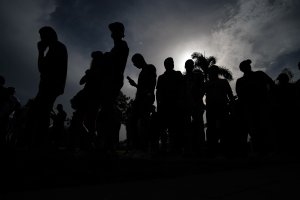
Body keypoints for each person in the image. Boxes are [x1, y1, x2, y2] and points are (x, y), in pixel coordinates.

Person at [28, 26, 68, 148]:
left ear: (48, 36)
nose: (41, 39)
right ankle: (39, 141)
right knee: (40, 112)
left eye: (42, 36)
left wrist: (40, 51)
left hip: (50, 86)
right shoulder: (55, 47)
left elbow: (42, 68)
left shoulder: (56, 47)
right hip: (52, 86)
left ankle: (39, 142)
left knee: (39, 112)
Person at [96, 22, 129, 153]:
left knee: (108, 109)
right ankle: (107, 142)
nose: (112, 34)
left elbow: (114, 62)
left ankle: (110, 143)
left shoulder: (122, 45)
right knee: (106, 109)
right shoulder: (116, 48)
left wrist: (104, 57)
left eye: (115, 31)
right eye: (112, 32)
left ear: (120, 33)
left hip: (114, 80)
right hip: (110, 80)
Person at [236, 59, 274, 156]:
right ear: (242, 69)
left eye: (248, 65)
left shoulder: (259, 74)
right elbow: (240, 95)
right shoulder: (240, 81)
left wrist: (269, 96)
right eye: (245, 66)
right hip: (249, 108)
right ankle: (258, 151)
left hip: (262, 104)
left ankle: (268, 150)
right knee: (253, 129)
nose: (248, 67)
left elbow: (271, 84)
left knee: (265, 127)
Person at [127, 53, 157, 153]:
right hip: (139, 100)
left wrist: (148, 97)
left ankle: (144, 148)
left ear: (140, 60)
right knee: (132, 122)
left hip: (145, 100)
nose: (135, 65)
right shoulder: (141, 72)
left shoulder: (150, 68)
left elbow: (151, 86)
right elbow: (141, 88)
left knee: (144, 123)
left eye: (135, 63)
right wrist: (135, 85)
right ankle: (137, 147)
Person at [204, 65, 234, 157]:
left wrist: (232, 105)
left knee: (225, 129)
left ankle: (226, 150)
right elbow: (201, 94)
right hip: (211, 109)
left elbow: (230, 94)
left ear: (216, 72)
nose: (211, 73)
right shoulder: (207, 84)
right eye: (210, 72)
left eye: (213, 71)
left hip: (222, 108)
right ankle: (212, 150)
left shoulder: (223, 82)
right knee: (211, 130)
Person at [156, 57, 184, 154]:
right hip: (164, 106)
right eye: (169, 63)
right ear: (165, 65)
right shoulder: (161, 77)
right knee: (163, 128)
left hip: (175, 105)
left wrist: (180, 101)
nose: (171, 64)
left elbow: (182, 88)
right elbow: (158, 92)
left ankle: (175, 148)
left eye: (172, 62)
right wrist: (158, 104)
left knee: (174, 128)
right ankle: (164, 148)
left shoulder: (178, 74)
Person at [182, 59, 205, 155]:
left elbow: (202, 88)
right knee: (186, 127)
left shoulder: (198, 75)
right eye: (187, 65)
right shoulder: (183, 78)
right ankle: (188, 149)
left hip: (197, 104)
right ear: (185, 66)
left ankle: (200, 149)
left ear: (193, 66)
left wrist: (197, 99)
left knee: (199, 126)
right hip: (186, 105)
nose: (189, 66)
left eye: (191, 65)